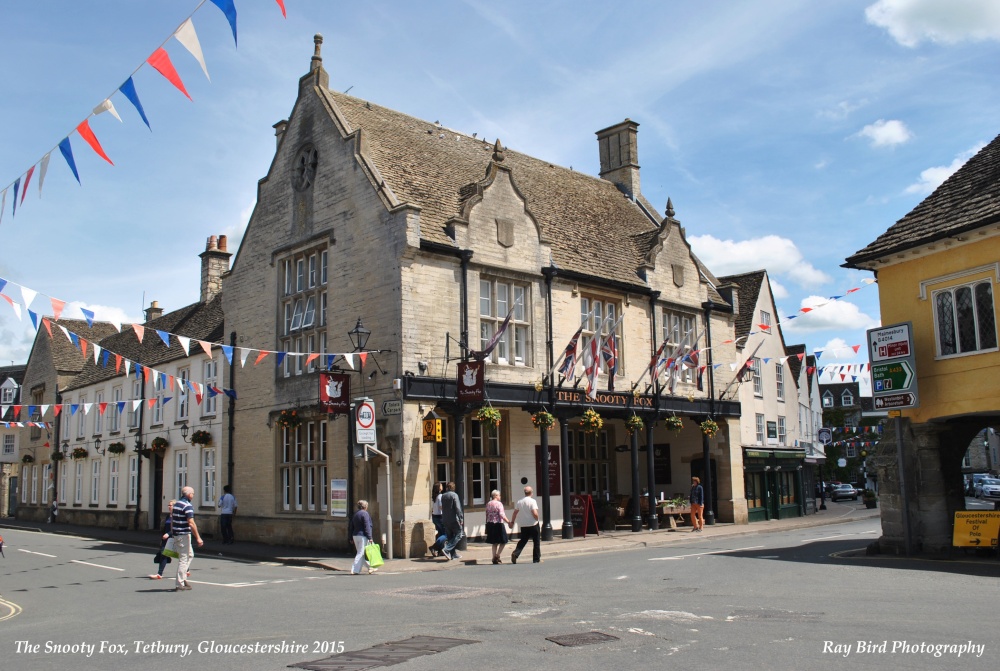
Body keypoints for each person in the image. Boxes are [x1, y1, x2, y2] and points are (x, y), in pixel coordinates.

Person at [171, 486, 203, 591]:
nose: (193, 495)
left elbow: (172, 520)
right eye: (193, 493)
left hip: (177, 533)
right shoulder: (187, 506)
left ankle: (183, 578)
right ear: (189, 494)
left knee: (190, 555)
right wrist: (198, 537)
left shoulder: (176, 504)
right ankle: (179, 583)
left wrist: (172, 532)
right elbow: (191, 523)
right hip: (183, 534)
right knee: (183, 559)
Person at [509, 485, 540, 564]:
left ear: (525, 493)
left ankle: (516, 553)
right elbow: (534, 512)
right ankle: (536, 559)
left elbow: (515, 512)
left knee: (523, 540)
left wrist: (512, 521)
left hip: (523, 524)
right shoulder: (532, 501)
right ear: (531, 493)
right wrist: (537, 518)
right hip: (533, 523)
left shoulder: (520, 501)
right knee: (536, 541)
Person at [349, 500, 377, 575]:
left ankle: (370, 567)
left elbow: (351, 526)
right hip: (362, 536)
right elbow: (367, 526)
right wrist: (370, 537)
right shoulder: (365, 514)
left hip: (355, 535)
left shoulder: (355, 514)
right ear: (365, 506)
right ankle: (354, 569)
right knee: (360, 553)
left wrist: (350, 537)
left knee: (361, 554)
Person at [440, 481, 464, 561]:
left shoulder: (443, 496)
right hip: (453, 519)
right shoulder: (454, 495)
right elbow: (458, 508)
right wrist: (461, 518)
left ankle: (453, 555)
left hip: (445, 519)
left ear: (447, 487)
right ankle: (446, 549)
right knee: (459, 534)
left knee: (450, 537)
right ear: (453, 488)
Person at [485, 490, 510, 564]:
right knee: (504, 541)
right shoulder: (499, 504)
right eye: (499, 495)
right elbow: (502, 514)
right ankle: (497, 555)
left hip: (490, 524)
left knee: (494, 542)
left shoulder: (488, 503)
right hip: (498, 524)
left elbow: (487, 514)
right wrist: (508, 522)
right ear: (495, 496)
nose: (500, 496)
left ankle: (493, 557)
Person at [152, 500, 175, 579]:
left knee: (180, 556)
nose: (169, 507)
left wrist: (169, 534)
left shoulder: (176, 516)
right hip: (166, 539)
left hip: (174, 539)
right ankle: (159, 573)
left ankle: (187, 570)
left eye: (170, 505)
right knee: (163, 555)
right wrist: (162, 539)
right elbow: (165, 528)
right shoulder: (168, 516)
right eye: (168, 505)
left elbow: (176, 528)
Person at [428, 482, 446, 557]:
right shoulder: (440, 496)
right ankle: (434, 547)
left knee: (440, 533)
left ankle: (440, 551)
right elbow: (441, 507)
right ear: (439, 488)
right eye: (441, 485)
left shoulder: (434, 497)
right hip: (440, 517)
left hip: (435, 517)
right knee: (446, 534)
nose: (442, 486)